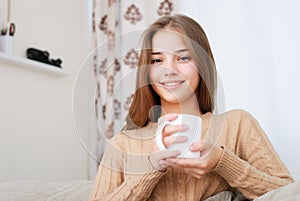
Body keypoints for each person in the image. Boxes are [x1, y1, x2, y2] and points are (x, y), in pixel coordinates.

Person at [89, 14, 295, 201]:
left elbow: (289, 193)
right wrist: (150, 169)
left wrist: (222, 162)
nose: (169, 70)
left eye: (183, 58)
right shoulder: (124, 144)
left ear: (202, 65)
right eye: (157, 60)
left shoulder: (237, 124)